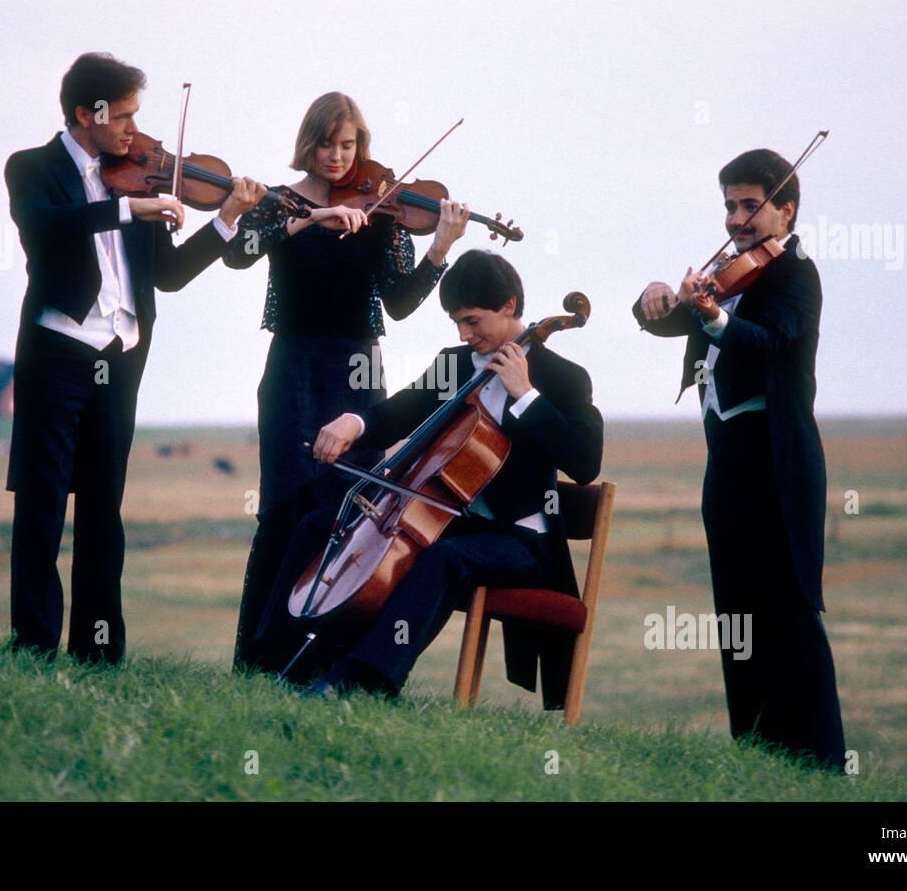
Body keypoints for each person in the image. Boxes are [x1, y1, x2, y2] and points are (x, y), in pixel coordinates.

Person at [5, 52, 264, 665]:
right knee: (42, 502)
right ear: (84, 113)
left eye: (136, 116)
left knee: (103, 506)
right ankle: (33, 645)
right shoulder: (32, 168)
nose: (131, 130)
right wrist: (128, 209)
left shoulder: (140, 175)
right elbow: (44, 226)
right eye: (121, 117)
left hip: (121, 357)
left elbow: (168, 276)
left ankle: (100, 652)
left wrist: (227, 218)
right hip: (58, 350)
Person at [254, 250, 604, 703]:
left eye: (474, 321)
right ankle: (271, 660)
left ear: (510, 307)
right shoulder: (453, 363)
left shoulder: (564, 378)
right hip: (449, 521)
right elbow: (401, 413)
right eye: (457, 322)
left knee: (445, 558)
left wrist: (526, 395)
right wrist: (354, 424)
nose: (465, 334)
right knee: (321, 523)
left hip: (520, 542)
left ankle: (362, 680)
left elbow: (585, 461)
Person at [225, 91, 471, 672]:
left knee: (350, 508)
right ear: (307, 144)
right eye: (326, 144)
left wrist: (440, 245)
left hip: (359, 371)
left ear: (360, 146)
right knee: (285, 505)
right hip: (292, 368)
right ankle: (261, 658)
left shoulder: (383, 208)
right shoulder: (280, 203)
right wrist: (309, 218)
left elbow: (403, 302)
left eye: (348, 144)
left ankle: (327, 660)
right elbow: (239, 253)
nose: (337, 156)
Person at [632, 148, 845, 770]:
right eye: (730, 205)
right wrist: (652, 298)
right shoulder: (726, 270)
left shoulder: (795, 274)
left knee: (790, 614)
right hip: (725, 464)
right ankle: (757, 752)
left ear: (786, 209)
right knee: (737, 616)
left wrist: (713, 316)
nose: (737, 219)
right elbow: (670, 321)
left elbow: (768, 342)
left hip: (776, 464)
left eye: (752, 206)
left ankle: (823, 763)